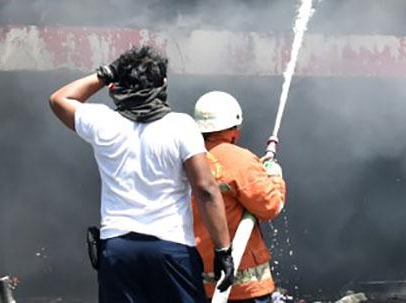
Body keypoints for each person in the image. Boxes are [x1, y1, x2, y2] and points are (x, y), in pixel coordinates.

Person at [49, 45, 234, 303]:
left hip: (118, 250)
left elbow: (59, 100)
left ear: (118, 85)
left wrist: (106, 73)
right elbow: (206, 190)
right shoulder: (181, 126)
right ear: (163, 84)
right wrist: (223, 250)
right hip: (171, 247)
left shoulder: (103, 122)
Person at [191, 91, 286, 303]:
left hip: (194, 280)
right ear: (234, 130)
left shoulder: (188, 157)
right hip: (243, 288)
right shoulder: (239, 160)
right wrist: (274, 176)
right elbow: (270, 206)